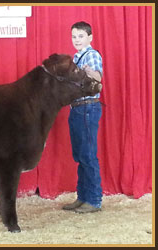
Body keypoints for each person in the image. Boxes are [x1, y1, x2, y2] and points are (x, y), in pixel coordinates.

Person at [63, 21, 103, 213]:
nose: (77, 40)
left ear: (90, 38)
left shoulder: (92, 55)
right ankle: (82, 196)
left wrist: (88, 71)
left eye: (80, 36)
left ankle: (94, 200)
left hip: (87, 108)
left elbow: (98, 77)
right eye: (74, 36)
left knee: (88, 155)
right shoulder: (77, 57)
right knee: (80, 155)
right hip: (77, 108)